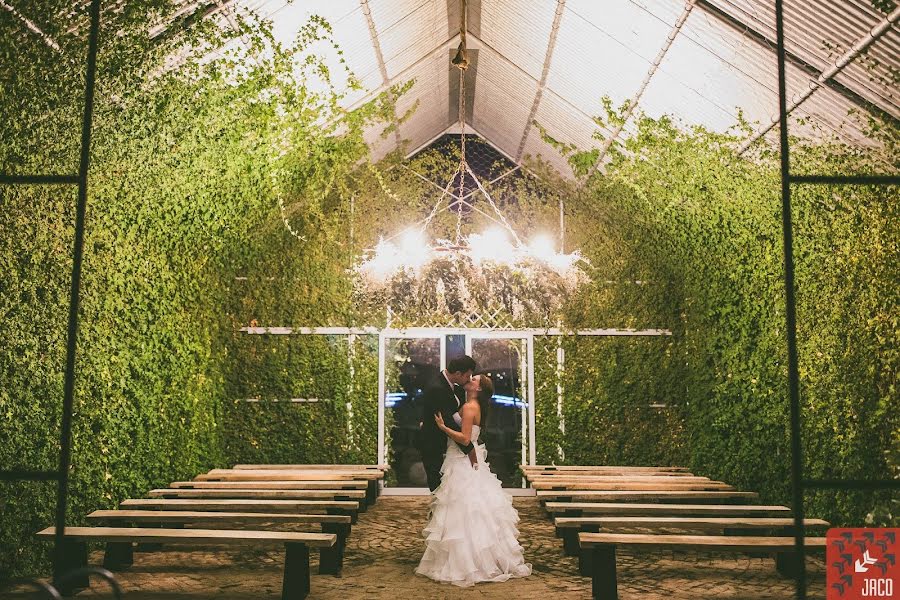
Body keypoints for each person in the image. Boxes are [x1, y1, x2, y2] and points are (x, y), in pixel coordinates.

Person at [415, 374, 532, 587]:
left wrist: (443, 428)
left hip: (462, 460)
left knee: (463, 508)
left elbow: (465, 439)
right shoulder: (468, 403)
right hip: (460, 458)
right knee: (464, 508)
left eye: (475, 379)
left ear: (478, 388)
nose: (470, 378)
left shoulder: (470, 407)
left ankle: (468, 562)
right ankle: (468, 559)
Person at [418, 355, 477, 492]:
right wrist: (468, 447)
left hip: (444, 441)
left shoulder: (451, 386)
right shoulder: (437, 387)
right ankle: (437, 512)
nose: (468, 379)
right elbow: (447, 421)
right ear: (457, 374)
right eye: (467, 376)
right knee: (437, 484)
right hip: (432, 443)